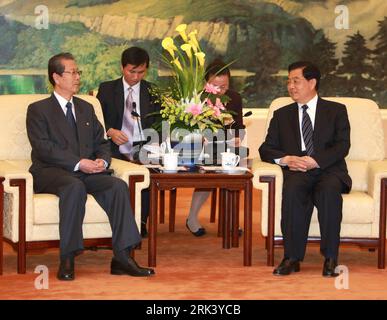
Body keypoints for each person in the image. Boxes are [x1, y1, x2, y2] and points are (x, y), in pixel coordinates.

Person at [26, 52, 155, 281]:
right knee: (73, 187)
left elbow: (101, 142)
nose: (77, 77)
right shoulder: (38, 109)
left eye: (78, 72)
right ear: (56, 77)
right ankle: (67, 257)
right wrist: (78, 163)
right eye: (72, 72)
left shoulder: (86, 107)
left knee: (116, 186)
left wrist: (102, 161)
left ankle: (122, 257)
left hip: (87, 171)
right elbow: (43, 148)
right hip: (51, 172)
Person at [259, 61, 351, 277]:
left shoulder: (336, 110)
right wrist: (287, 159)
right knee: (292, 191)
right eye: (289, 82)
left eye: (296, 81)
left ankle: (330, 258)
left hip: (328, 169)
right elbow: (266, 148)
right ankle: (292, 257)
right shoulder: (282, 115)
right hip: (297, 170)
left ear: (312, 82)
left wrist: (316, 160)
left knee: (329, 192)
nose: (291, 86)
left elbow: (342, 145)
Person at [97, 47, 160, 238]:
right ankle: (115, 222)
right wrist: (110, 131)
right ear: (122, 68)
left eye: (141, 72)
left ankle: (141, 221)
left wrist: (153, 142)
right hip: (115, 148)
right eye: (131, 71)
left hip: (144, 147)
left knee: (148, 172)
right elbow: (96, 119)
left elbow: (160, 122)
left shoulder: (153, 91)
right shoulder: (107, 89)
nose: (135, 76)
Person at [186, 59, 245, 236]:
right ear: (206, 82)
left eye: (224, 86)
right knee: (210, 168)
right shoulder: (197, 98)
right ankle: (192, 218)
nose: (220, 91)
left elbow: (238, 127)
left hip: (225, 148)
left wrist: (236, 139)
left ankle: (230, 221)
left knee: (236, 170)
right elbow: (187, 129)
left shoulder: (234, 98)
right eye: (215, 86)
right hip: (198, 149)